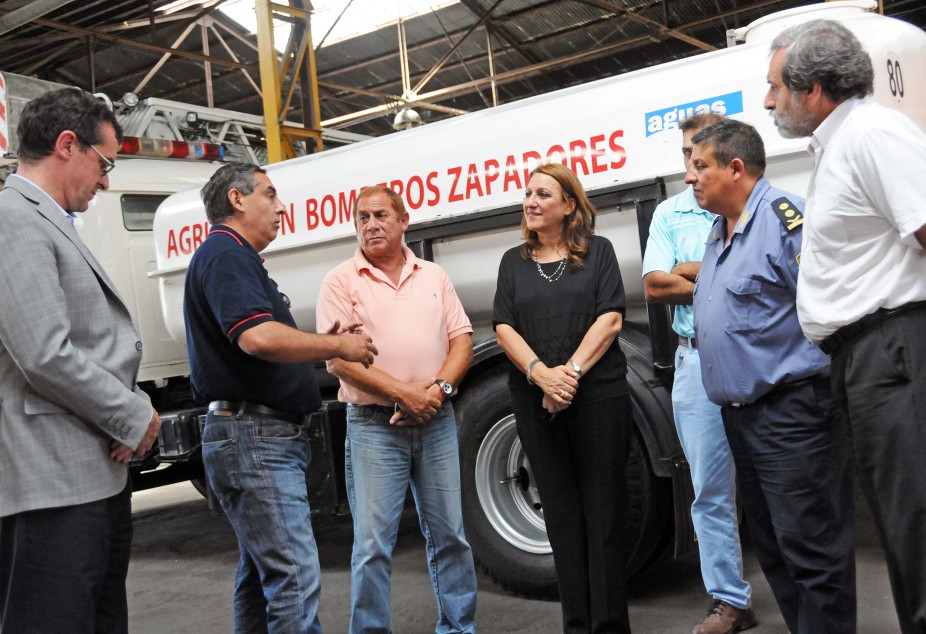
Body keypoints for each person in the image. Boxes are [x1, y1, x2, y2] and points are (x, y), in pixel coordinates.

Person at [0, 88, 162, 633]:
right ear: (66, 145)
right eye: (104, 163)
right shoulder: (9, 220)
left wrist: (130, 407)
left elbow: (92, 344)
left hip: (86, 473)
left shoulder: (48, 221)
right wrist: (133, 416)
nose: (105, 181)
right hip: (47, 482)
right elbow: (44, 354)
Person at [764, 19, 926, 633]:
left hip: (894, 350)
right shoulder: (838, 145)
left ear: (814, 88)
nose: (769, 101)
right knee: (901, 528)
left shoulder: (871, 134)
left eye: (776, 86)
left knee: (917, 530)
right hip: (866, 358)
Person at [183, 163, 377, 634]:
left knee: (260, 576)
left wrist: (317, 341)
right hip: (255, 438)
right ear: (237, 199)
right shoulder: (227, 254)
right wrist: (337, 345)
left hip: (252, 436)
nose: (281, 207)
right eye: (269, 195)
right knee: (293, 576)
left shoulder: (232, 257)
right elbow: (257, 338)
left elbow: (265, 339)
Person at [690, 120, 856, 633]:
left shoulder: (786, 220)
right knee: (776, 550)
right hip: (742, 418)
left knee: (812, 549)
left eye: (700, 166)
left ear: (736, 169)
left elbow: (833, 311)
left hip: (793, 413)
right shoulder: (720, 231)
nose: (690, 177)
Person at [315, 185, 478, 634]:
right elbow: (339, 362)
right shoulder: (340, 281)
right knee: (372, 547)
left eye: (381, 215)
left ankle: (459, 628)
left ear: (404, 220)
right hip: (374, 428)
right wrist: (405, 394)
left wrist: (437, 392)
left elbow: (462, 341)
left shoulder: (433, 275)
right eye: (362, 217)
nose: (371, 225)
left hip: (436, 420)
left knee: (451, 537)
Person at [493, 163, 632, 633]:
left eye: (543, 194)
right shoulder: (513, 262)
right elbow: (504, 326)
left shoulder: (599, 252)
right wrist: (540, 376)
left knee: (604, 516)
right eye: (528, 193)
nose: (530, 202)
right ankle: (576, 626)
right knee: (562, 519)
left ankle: (610, 627)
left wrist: (567, 377)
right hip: (535, 401)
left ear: (569, 205)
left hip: (598, 397)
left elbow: (610, 319)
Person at [642, 114, 755, 634]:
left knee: (775, 479)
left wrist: (691, 271)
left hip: (755, 355)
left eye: (700, 155)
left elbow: (762, 278)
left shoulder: (753, 206)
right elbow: (655, 285)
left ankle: (804, 594)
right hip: (695, 359)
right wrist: (723, 279)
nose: (691, 167)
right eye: (687, 154)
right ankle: (729, 600)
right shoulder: (670, 212)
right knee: (709, 487)